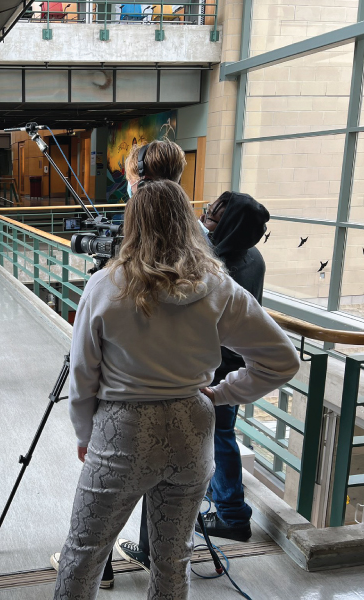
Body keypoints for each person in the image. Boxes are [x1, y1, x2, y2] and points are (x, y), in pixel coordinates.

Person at [53, 180, 299, 599]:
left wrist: (83, 434)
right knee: (173, 556)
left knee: (85, 551)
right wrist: (221, 394)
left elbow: (82, 375)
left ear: (133, 225)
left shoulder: (105, 286)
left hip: (122, 428)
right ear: (187, 222)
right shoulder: (219, 286)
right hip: (192, 425)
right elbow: (283, 361)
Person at [196, 191, 270, 541]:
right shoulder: (253, 256)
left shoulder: (220, 267)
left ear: (229, 226)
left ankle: (232, 514)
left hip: (219, 366)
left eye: (210, 217)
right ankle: (222, 496)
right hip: (235, 361)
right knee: (221, 433)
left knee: (220, 435)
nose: (204, 222)